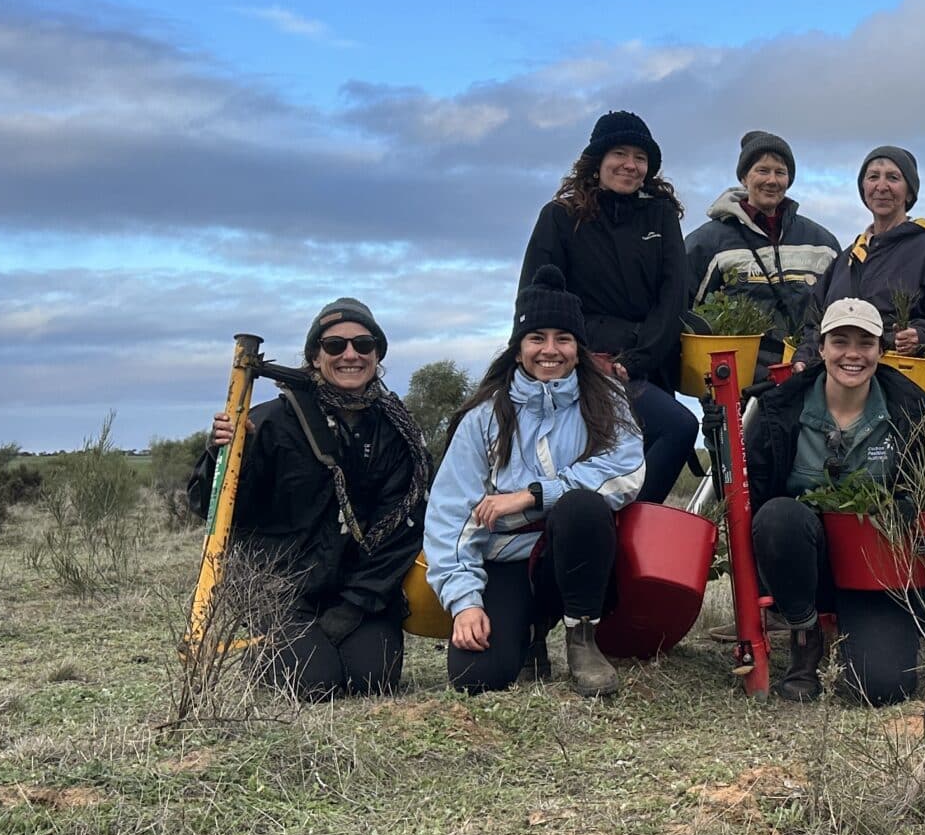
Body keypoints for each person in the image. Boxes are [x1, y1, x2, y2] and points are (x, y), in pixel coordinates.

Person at [188, 298, 430, 701]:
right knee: (315, 685)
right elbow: (211, 509)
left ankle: (319, 639)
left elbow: (404, 531)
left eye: (363, 344)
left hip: (361, 591)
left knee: (374, 681)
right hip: (280, 590)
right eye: (334, 346)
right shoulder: (267, 422)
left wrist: (355, 605)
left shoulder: (399, 433)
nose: (350, 354)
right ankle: (263, 654)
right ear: (315, 357)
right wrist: (223, 455)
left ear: (377, 355)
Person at [423, 268, 646, 699]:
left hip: (582, 553)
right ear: (518, 348)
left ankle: (582, 638)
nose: (550, 350)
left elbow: (625, 472)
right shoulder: (484, 417)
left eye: (563, 338)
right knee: (476, 677)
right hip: (509, 559)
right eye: (536, 338)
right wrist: (466, 602)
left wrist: (531, 495)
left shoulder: (608, 401)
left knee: (580, 506)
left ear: (578, 349)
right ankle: (529, 633)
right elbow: (449, 514)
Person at [743, 297, 925, 704]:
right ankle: (805, 632)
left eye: (865, 343)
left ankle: (870, 631)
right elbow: (756, 500)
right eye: (840, 341)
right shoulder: (777, 409)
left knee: (882, 689)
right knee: (778, 516)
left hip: (877, 565)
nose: (853, 354)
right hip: (805, 563)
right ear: (821, 349)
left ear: (880, 352)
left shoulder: (911, 408)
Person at [521, 109, 699, 505]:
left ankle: (627, 530)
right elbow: (535, 300)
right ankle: (596, 531)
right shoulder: (560, 217)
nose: (630, 165)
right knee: (669, 430)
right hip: (579, 366)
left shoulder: (661, 215)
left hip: (642, 365)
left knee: (676, 430)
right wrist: (575, 359)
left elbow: (673, 298)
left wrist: (635, 360)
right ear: (597, 161)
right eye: (620, 153)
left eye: (640, 157)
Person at [803, 145, 925, 360]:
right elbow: (813, 326)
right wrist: (805, 356)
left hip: (904, 385)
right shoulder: (845, 261)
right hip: (840, 386)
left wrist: (923, 336)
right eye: (873, 177)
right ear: (863, 188)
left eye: (893, 178)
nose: (882, 186)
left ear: (909, 192)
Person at [683, 131, 842, 370]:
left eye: (780, 172)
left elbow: (839, 309)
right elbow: (683, 311)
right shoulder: (708, 242)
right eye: (762, 170)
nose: (772, 180)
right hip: (739, 379)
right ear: (744, 178)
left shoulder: (822, 243)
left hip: (808, 374)